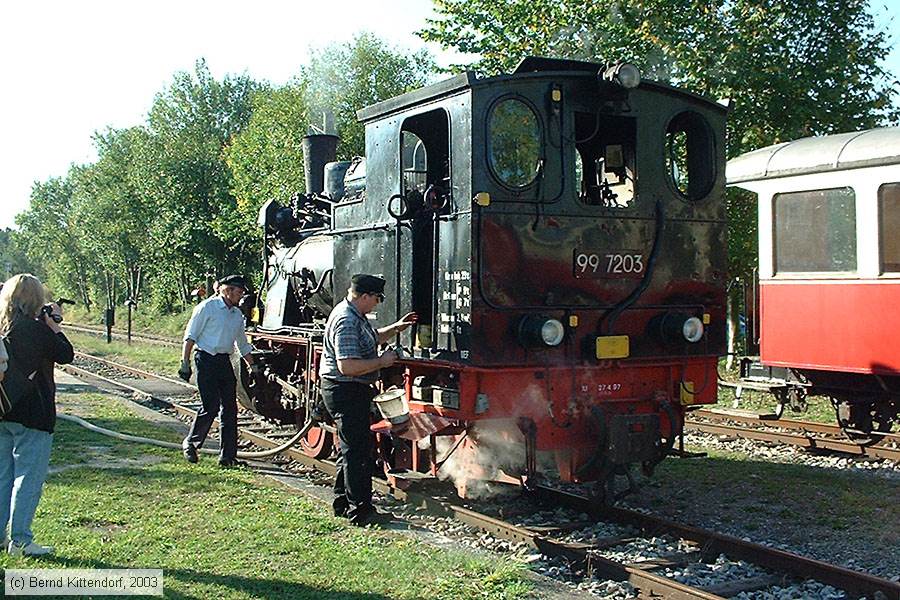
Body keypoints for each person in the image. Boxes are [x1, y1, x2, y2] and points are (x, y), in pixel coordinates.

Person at [319, 274, 416, 526]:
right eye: (376, 299)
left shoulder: (354, 316)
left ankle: (342, 503)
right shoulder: (346, 321)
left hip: (349, 389)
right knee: (358, 451)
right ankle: (361, 511)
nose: (377, 304)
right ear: (364, 296)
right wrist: (382, 362)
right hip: (345, 389)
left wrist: (396, 328)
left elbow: (370, 339)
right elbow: (347, 366)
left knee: (349, 450)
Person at [0, 274, 74, 556]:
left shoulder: (4, 326)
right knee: (28, 478)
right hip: (34, 411)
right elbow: (65, 353)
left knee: (2, 477)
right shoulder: (36, 329)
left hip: (3, 408)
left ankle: (0, 537)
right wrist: (53, 324)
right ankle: (21, 540)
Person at [179, 275, 258, 467]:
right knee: (210, 406)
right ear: (227, 290)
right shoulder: (207, 308)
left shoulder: (236, 315)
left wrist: (252, 365)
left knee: (230, 409)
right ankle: (191, 443)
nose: (241, 297)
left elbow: (242, 344)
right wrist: (185, 362)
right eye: (239, 292)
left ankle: (228, 457)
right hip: (205, 359)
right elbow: (190, 336)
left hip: (224, 361)